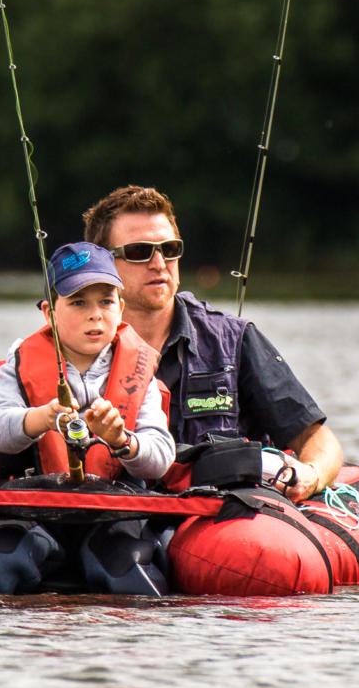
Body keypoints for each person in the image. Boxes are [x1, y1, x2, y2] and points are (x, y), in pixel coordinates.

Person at [82, 185, 343, 502]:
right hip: (116, 523)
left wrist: (310, 475)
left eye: (169, 248)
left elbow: (316, 437)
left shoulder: (234, 339)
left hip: (217, 523)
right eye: (140, 252)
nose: (159, 262)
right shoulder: (74, 349)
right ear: (102, 265)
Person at [0, 241, 175, 595]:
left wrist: (122, 440)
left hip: (113, 516)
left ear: (121, 308)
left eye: (106, 302)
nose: (95, 314)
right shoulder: (19, 362)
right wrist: (40, 419)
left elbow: (160, 459)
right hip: (33, 512)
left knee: (131, 575)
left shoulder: (141, 371)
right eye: (78, 302)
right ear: (49, 312)